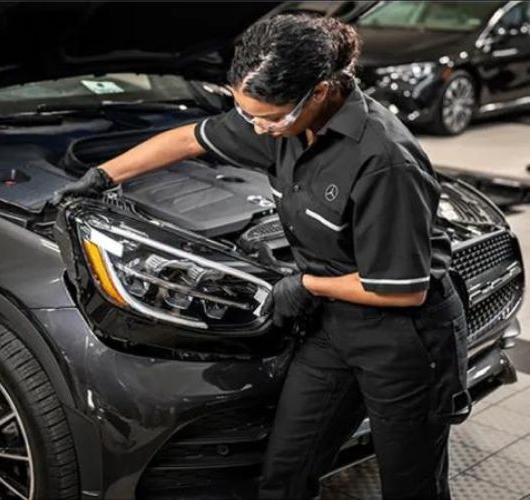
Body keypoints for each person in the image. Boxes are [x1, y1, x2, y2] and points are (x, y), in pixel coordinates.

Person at [53, 14, 470, 500]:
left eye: (268, 117)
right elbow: (189, 139)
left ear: (319, 93)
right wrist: (104, 176)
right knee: (284, 474)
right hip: (332, 327)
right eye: (246, 112)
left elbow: (402, 288)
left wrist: (305, 285)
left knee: (410, 487)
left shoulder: (384, 160)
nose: (257, 127)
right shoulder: (281, 120)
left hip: (404, 341)